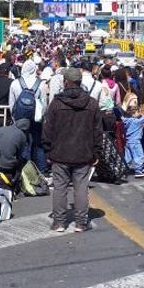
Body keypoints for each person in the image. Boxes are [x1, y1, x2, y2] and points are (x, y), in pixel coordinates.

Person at [42, 68, 103, 232]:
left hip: (59, 152)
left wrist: (47, 150)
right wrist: (96, 151)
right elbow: (98, 131)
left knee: (60, 188)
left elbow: (47, 129)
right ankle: (81, 222)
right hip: (83, 152)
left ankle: (59, 222)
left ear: (65, 82)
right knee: (81, 187)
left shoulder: (56, 103)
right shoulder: (91, 103)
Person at [9, 59, 49, 174]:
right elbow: (44, 104)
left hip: (20, 119)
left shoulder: (15, 83)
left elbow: (11, 104)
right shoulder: (41, 83)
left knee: (22, 144)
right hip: (36, 119)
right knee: (38, 144)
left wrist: (14, 118)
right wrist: (42, 118)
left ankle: (23, 170)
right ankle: (41, 170)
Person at [0, 118, 30, 183]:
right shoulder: (22, 136)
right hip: (8, 167)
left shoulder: (0, 129)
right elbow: (21, 155)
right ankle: (15, 180)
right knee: (23, 161)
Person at [122, 101, 144, 178]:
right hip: (135, 142)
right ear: (135, 112)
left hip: (128, 142)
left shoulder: (126, 121)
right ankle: (139, 171)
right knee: (139, 155)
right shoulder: (137, 122)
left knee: (128, 157)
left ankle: (124, 169)